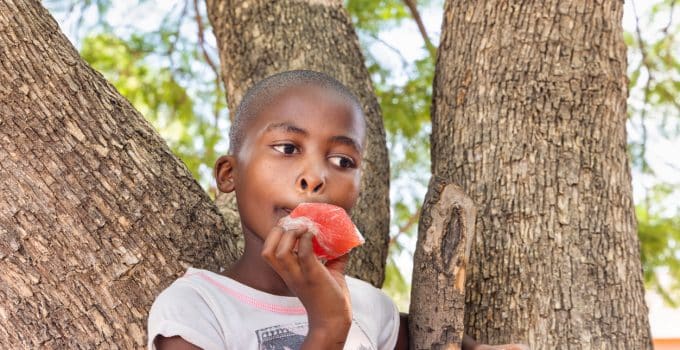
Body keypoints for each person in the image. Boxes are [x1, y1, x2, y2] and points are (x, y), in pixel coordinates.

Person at [147, 70, 527, 350]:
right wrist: (328, 327)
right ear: (230, 174)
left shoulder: (368, 305)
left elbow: (430, 334)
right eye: (287, 148)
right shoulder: (194, 309)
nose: (314, 177)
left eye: (343, 161)